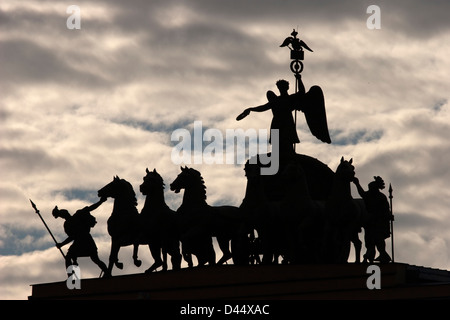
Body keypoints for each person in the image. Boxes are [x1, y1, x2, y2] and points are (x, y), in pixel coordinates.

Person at [53, 197, 109, 276]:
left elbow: (91, 208)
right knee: (92, 259)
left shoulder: (77, 215)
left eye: (61, 215)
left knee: (94, 259)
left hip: (85, 240)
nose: (62, 216)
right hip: (82, 241)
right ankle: (71, 276)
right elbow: (72, 237)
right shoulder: (67, 224)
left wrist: (100, 202)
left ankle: (107, 272)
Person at [353, 176, 393, 263]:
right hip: (371, 222)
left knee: (378, 240)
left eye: (371, 188)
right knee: (369, 241)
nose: (369, 190)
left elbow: (386, 210)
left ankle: (381, 255)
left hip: (378, 222)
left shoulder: (381, 197)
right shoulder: (371, 195)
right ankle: (371, 256)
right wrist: (357, 184)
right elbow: (363, 194)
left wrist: (388, 216)